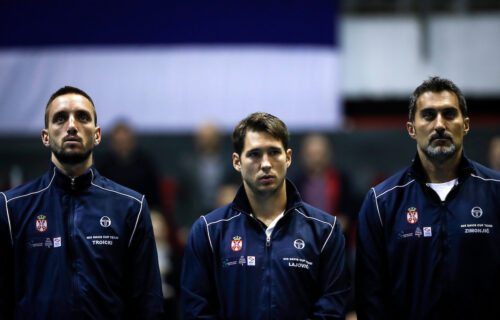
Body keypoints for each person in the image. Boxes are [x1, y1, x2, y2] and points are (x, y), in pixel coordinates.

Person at [0, 86, 164, 319]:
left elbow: (148, 303)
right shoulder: (11, 207)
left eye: (82, 117)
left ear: (97, 135)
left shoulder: (131, 207)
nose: (72, 126)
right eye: (60, 118)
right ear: (45, 136)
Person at [356, 77, 500, 320]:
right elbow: (371, 298)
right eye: (429, 115)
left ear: (465, 125)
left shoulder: (496, 192)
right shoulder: (382, 203)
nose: (440, 125)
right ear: (411, 128)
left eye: (449, 114)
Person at [181, 112, 350, 319]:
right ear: (237, 162)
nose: (266, 164)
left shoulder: (325, 230)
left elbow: (331, 310)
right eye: (254, 154)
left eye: (274, 152)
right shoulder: (208, 231)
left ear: (288, 157)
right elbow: (197, 311)